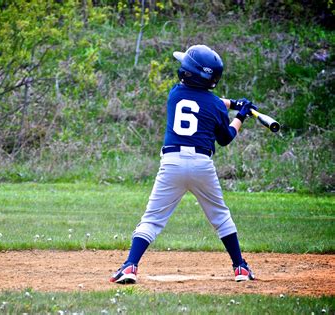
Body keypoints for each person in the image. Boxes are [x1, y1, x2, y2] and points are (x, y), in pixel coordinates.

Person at [109, 44, 257, 284]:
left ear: (190, 74)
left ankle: (129, 266)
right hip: (201, 165)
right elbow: (225, 137)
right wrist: (240, 115)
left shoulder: (175, 94)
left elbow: (202, 100)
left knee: (152, 219)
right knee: (220, 216)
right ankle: (240, 267)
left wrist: (234, 104)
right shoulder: (216, 105)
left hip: (172, 163)